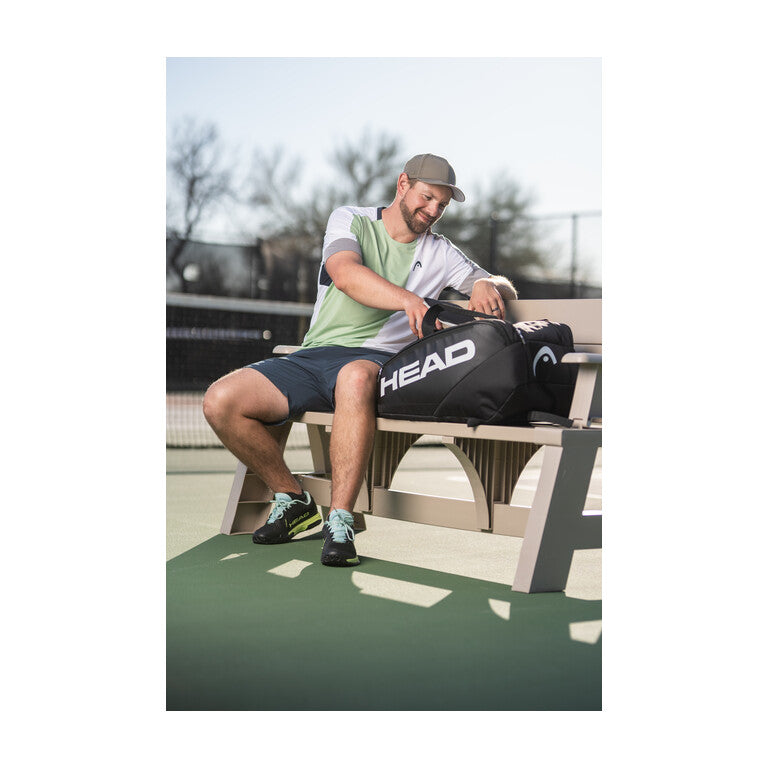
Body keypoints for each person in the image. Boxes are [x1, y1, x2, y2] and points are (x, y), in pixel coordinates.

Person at [203, 153, 517, 567]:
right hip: (313, 355)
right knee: (220, 401)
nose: (433, 211)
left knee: (354, 378)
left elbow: (501, 288)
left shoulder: (441, 251)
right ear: (402, 184)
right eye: (427, 198)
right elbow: (345, 273)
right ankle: (292, 498)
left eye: (442, 205)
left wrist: (486, 282)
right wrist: (409, 299)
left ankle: (340, 521)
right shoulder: (349, 219)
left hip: (376, 363)